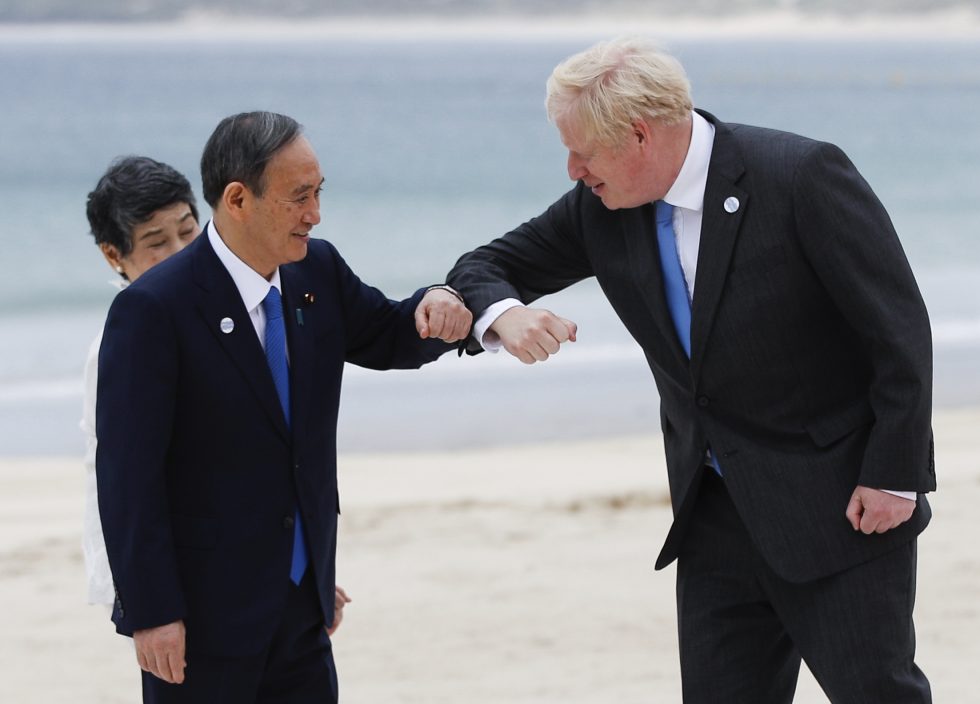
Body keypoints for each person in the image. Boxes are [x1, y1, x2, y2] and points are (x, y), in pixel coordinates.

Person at [446, 38, 935, 703]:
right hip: (712, 524)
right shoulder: (602, 208)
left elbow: (896, 328)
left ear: (639, 136)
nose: (571, 170)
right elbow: (482, 266)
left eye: (583, 153)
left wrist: (894, 475)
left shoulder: (799, 175)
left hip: (840, 509)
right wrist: (504, 313)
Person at [95, 112, 471, 703]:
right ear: (239, 199)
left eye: (319, 193)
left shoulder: (315, 270)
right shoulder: (154, 308)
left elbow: (392, 332)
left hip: (302, 608)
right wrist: (152, 612)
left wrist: (451, 302)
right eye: (300, 197)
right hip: (201, 625)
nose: (315, 213)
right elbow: (126, 479)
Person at [82, 156, 202, 609]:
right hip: (173, 583)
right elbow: (120, 484)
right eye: (156, 242)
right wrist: (145, 603)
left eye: (188, 231)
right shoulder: (117, 347)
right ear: (114, 255)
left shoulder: (233, 312)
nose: (181, 252)